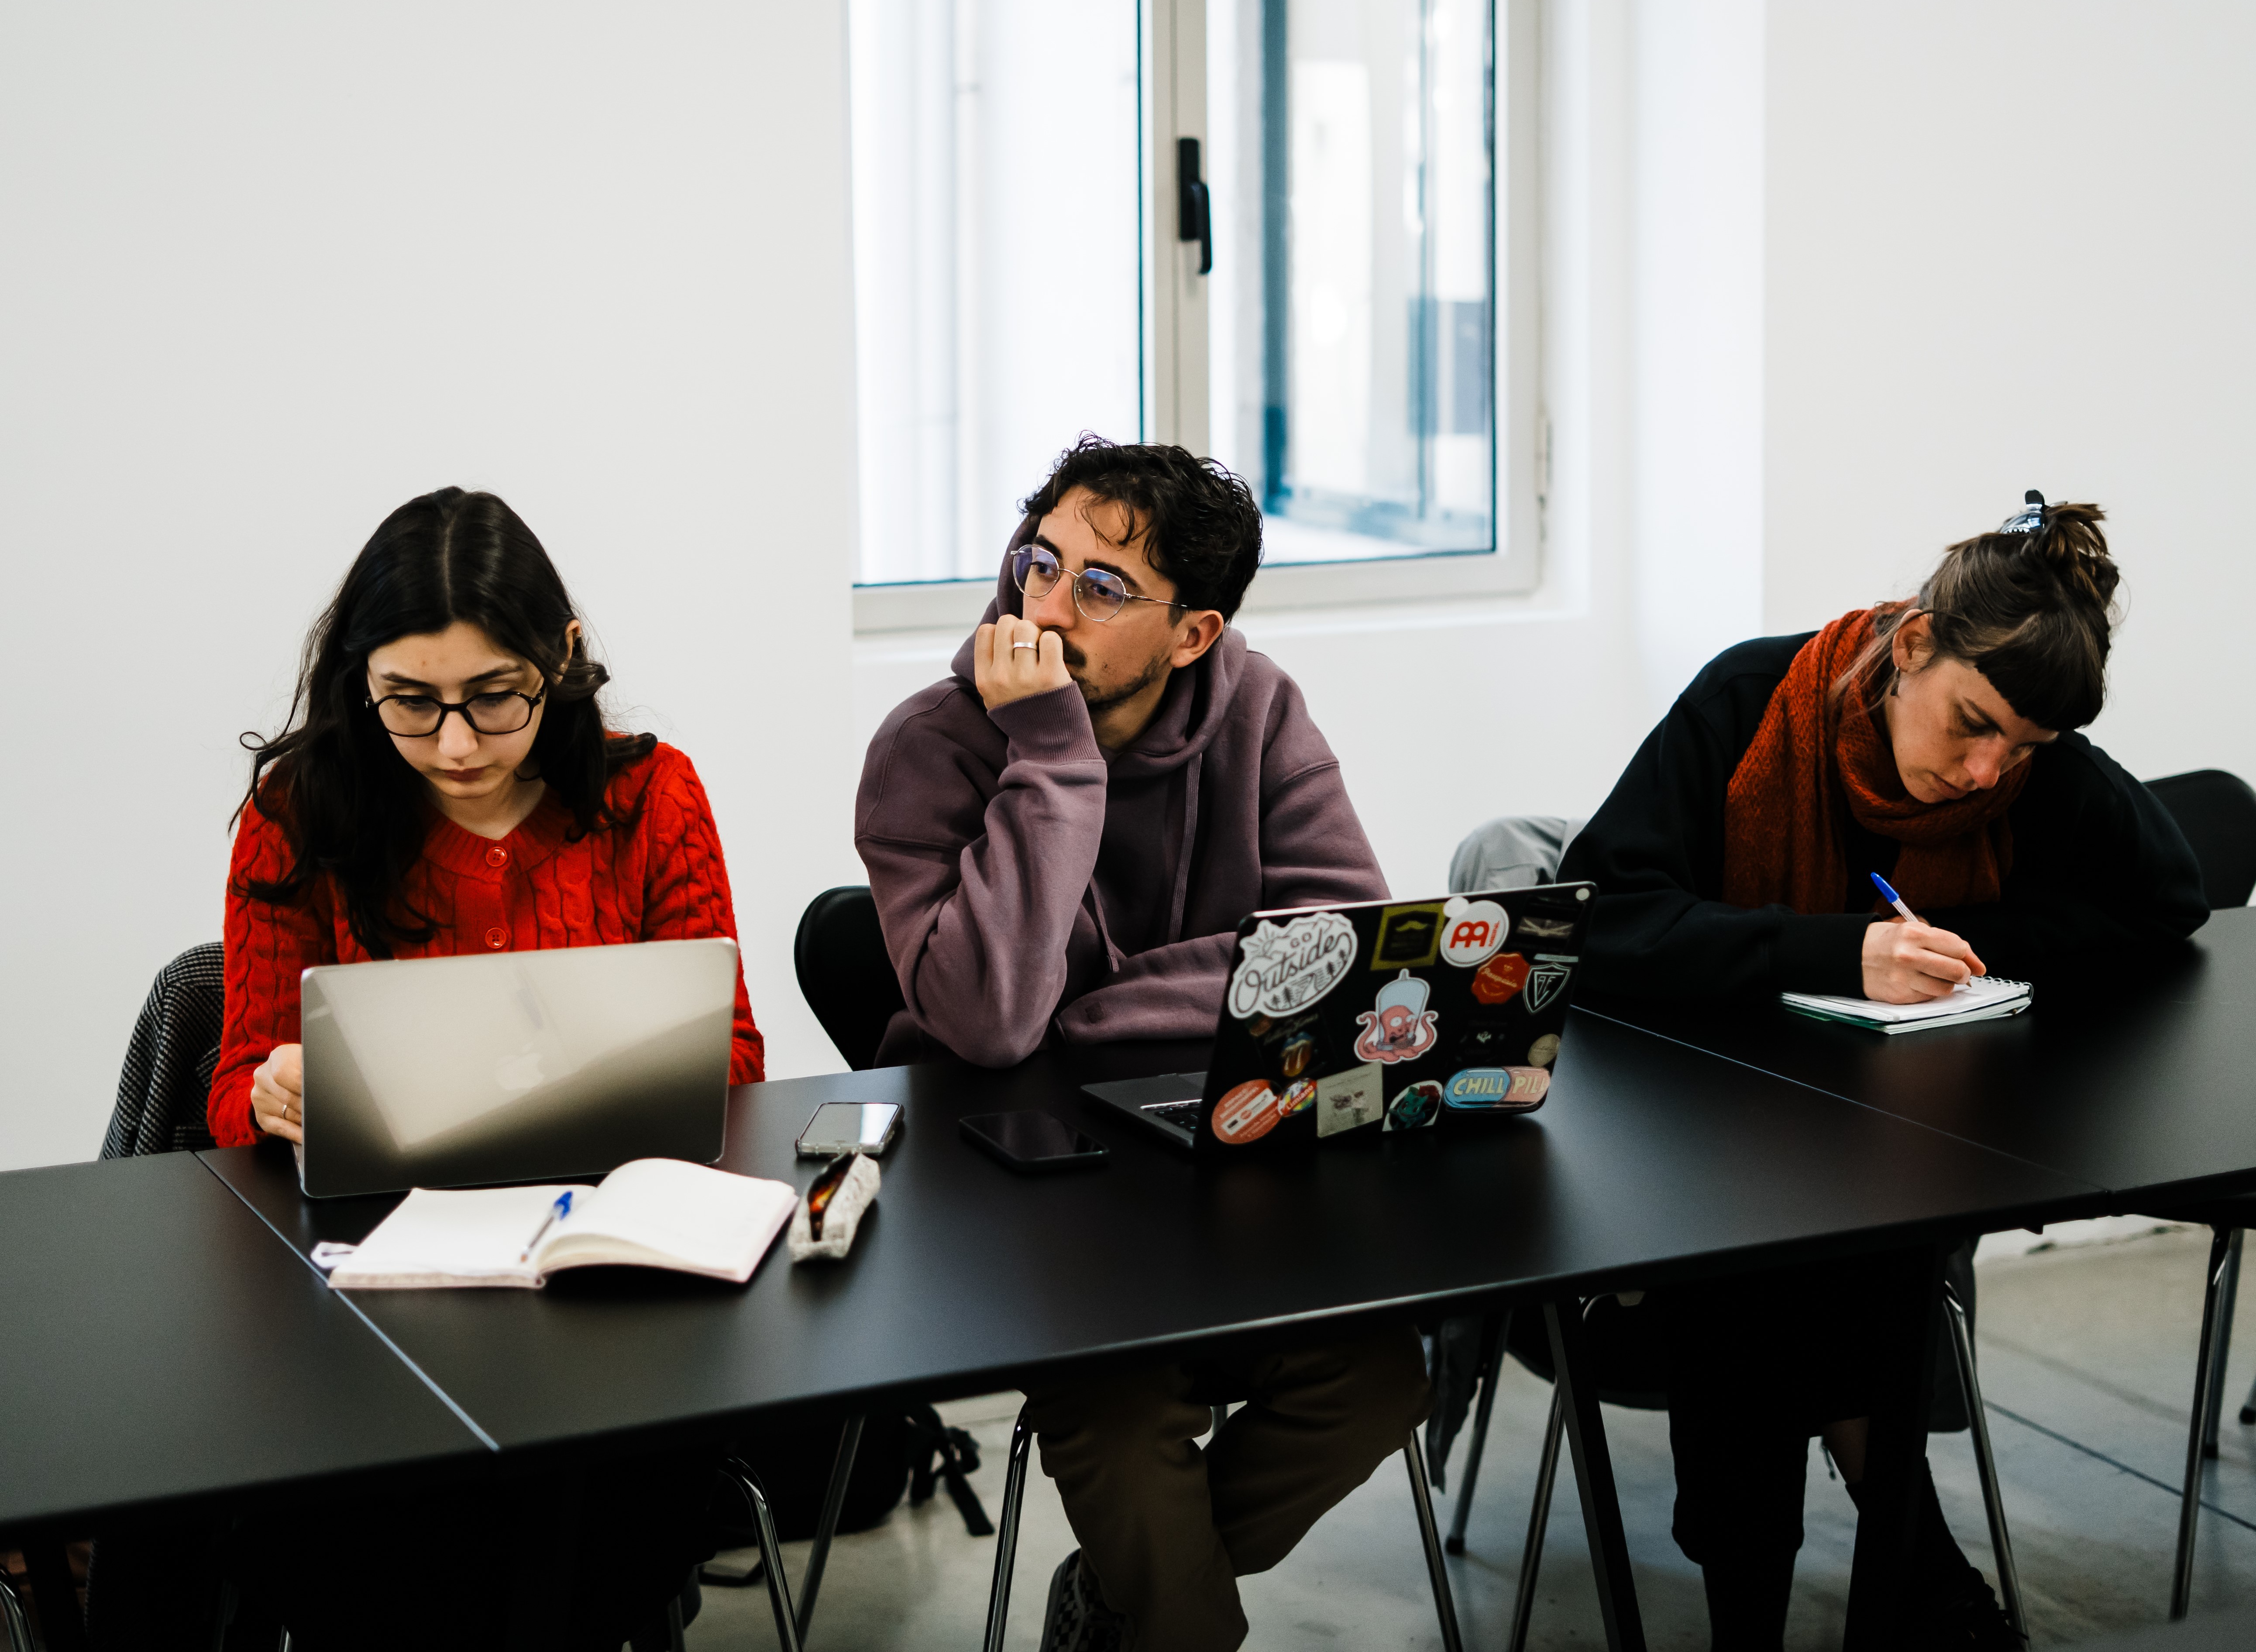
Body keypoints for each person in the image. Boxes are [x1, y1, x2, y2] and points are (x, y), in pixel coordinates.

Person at [1560, 495, 2206, 1649]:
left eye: (2023, 745)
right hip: (1701, 1130)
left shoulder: (2012, 766)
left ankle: (1830, 1591)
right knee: (1774, 1253)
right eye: (1971, 722)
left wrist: (1983, 931)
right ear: (1910, 644)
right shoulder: (1754, 700)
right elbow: (1601, 925)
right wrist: (1838, 949)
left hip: (1893, 1142)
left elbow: (2166, 892)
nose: (1984, 769)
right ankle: (1892, 1577)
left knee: (1866, 1237)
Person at [855, 436, 1427, 1652]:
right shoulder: (931, 747)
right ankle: (1169, 1626)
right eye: (1039, 562)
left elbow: (1336, 958)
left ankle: (1117, 1607)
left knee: (1379, 1376)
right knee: (1118, 1417)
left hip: (1222, 1161)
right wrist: (1053, 753)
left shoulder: (1260, 710)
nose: (1045, 608)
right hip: (1020, 1195)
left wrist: (1096, 1007)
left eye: (1103, 588)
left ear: (1193, 634)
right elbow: (993, 1023)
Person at [213, 486, 760, 1648]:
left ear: (556, 661)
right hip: (379, 1305)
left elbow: (736, 1062)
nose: (455, 742)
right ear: (360, 678)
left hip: (602, 1291)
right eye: (411, 701)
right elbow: (229, 1093)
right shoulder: (301, 814)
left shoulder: (648, 798)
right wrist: (270, 1092)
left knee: (604, 1498)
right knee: (386, 1533)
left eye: (493, 698)